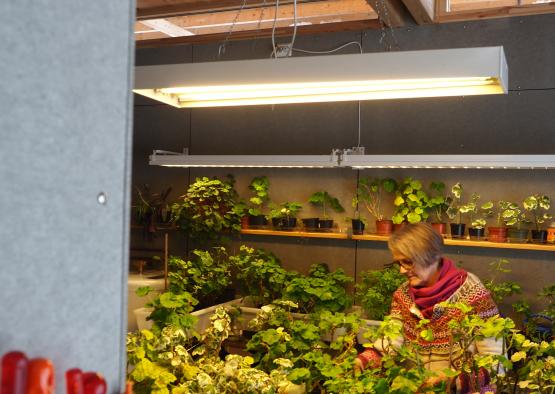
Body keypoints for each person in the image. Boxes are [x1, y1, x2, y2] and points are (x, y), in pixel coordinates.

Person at [355, 222, 503, 392]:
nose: (402, 271)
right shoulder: (402, 296)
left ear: (430, 255)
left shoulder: (474, 295)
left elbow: (496, 362)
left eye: (408, 262)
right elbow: (390, 344)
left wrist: (454, 380)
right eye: (399, 263)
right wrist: (363, 361)